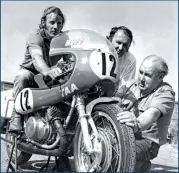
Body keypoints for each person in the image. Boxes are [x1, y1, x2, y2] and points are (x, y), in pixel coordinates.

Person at [9, 6, 65, 133]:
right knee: (23, 76)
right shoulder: (35, 37)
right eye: (52, 22)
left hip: (46, 77)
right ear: (43, 23)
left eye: (59, 23)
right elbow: (37, 57)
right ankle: (16, 115)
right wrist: (47, 71)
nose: (55, 27)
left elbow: (70, 58)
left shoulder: (62, 41)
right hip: (32, 74)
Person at [115, 55, 175, 171]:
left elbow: (153, 113)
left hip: (147, 142)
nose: (141, 78)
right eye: (141, 72)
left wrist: (137, 123)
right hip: (124, 134)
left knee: (122, 153)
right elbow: (114, 100)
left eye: (147, 75)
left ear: (160, 77)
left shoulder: (166, 93)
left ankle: (140, 164)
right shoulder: (130, 84)